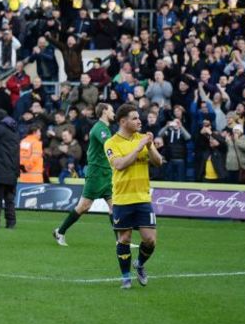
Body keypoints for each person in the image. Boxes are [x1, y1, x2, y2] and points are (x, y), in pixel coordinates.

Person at [104, 103, 163, 289]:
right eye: (135, 118)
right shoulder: (111, 143)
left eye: (139, 117)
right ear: (123, 121)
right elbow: (119, 164)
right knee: (125, 239)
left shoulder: (143, 139)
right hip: (122, 199)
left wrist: (150, 146)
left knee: (150, 239)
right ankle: (125, 277)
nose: (139, 121)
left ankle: (140, 264)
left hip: (143, 198)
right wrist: (138, 148)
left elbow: (159, 162)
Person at [53, 103, 115, 245]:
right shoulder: (100, 129)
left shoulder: (105, 128)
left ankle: (122, 242)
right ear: (105, 111)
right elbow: (109, 145)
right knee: (83, 207)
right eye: (112, 110)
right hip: (96, 174)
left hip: (106, 173)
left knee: (115, 207)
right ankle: (60, 232)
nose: (114, 113)